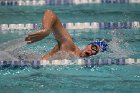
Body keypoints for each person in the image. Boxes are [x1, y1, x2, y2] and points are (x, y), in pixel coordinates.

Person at [25, 9, 107, 60]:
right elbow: (50, 13)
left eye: (95, 52)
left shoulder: (77, 60)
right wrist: (46, 30)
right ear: (88, 45)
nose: (91, 51)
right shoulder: (70, 47)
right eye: (93, 47)